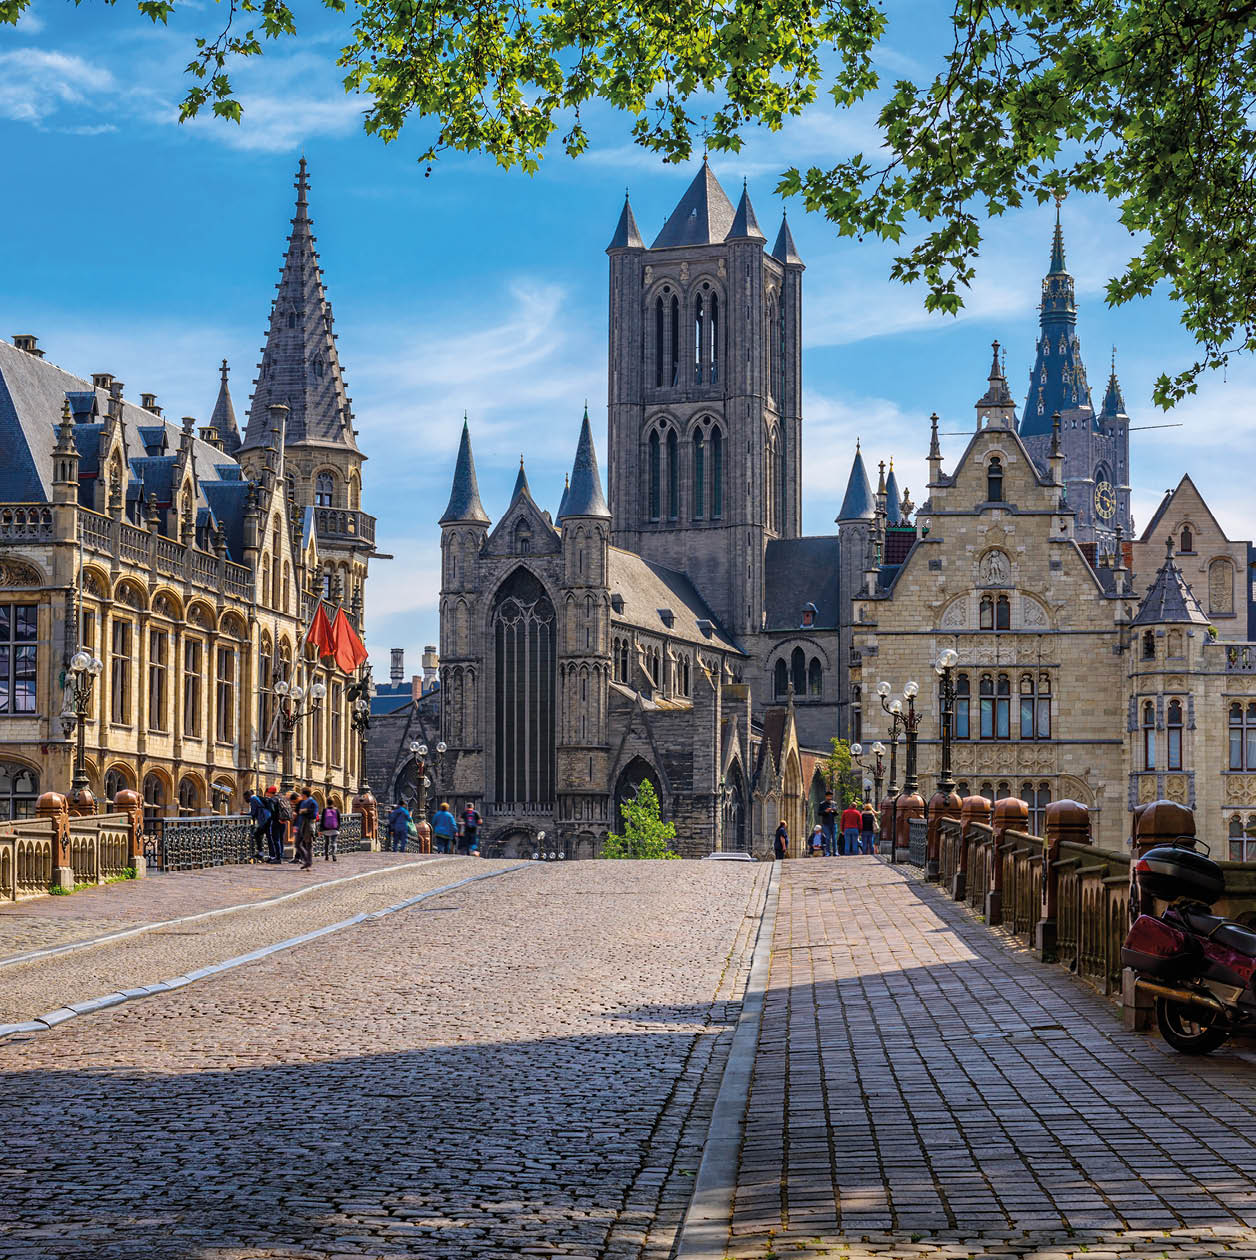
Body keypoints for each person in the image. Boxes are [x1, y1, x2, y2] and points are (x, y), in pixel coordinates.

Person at [267, 786, 291, 864]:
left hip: (276, 822)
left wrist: (276, 819)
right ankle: (281, 856)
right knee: (281, 839)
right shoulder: (282, 798)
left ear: (270, 793)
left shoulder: (272, 800)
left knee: (276, 839)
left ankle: (278, 858)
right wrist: (282, 819)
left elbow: (272, 811)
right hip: (283, 821)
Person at [295, 788, 318, 869]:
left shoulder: (312, 802)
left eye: (302, 794)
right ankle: (306, 860)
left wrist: (304, 811)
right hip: (301, 825)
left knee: (308, 844)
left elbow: (314, 814)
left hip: (308, 825)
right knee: (297, 844)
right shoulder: (303, 802)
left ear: (304, 794)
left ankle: (308, 861)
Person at [247, 785, 271, 861]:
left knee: (258, 834)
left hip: (264, 819)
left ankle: (261, 853)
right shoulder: (256, 797)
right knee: (268, 836)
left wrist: (245, 814)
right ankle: (270, 855)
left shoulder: (253, 798)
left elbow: (253, 812)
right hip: (267, 817)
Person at [819, 790, 839, 857]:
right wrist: (825, 811)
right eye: (828, 796)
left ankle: (835, 852)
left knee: (834, 838)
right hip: (826, 823)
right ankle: (828, 852)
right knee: (827, 838)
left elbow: (837, 813)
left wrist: (834, 811)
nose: (830, 797)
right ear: (826, 796)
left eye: (831, 796)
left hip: (833, 823)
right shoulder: (822, 804)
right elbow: (819, 813)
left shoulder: (834, 803)